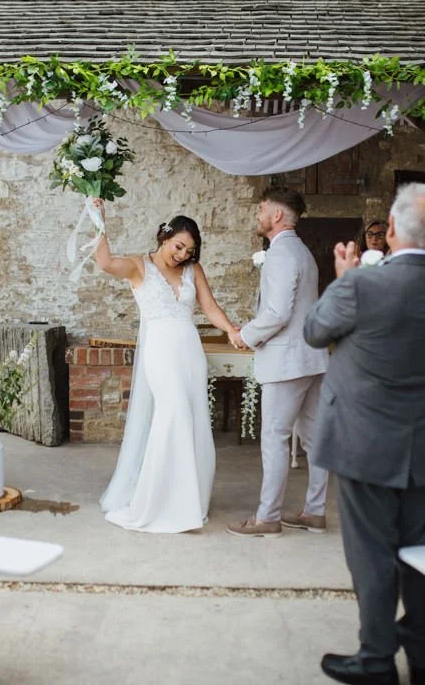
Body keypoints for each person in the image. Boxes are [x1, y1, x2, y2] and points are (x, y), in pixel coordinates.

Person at [305, 182, 425, 685]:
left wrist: (342, 278)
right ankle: (422, 652)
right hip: (419, 441)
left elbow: (315, 331)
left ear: (391, 230)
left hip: (362, 440)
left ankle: (376, 659)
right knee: (418, 550)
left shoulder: (361, 286)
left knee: (372, 555)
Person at [96, 209, 235, 533]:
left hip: (190, 352)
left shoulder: (193, 270)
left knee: (195, 420)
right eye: (179, 247)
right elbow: (104, 262)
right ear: (165, 236)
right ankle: (155, 502)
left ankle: (187, 500)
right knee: (171, 416)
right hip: (159, 350)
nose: (183, 255)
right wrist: (99, 220)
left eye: (189, 250)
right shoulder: (138, 266)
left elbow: (210, 307)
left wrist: (230, 329)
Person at [227, 187, 330, 538]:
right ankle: (314, 512)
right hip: (311, 357)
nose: (257, 214)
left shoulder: (282, 254)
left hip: (287, 361)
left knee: (274, 438)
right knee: (314, 440)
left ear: (277, 216)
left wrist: (246, 335)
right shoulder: (302, 252)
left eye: (261, 208)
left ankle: (267, 518)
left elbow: (278, 312)